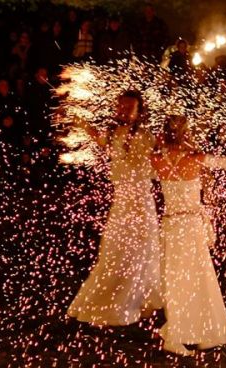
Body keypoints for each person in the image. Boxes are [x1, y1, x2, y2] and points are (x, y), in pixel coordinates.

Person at [151, 115, 226, 355]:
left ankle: (197, 332)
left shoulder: (156, 159)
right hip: (191, 226)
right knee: (195, 278)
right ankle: (178, 336)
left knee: (177, 280)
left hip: (172, 226)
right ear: (186, 133)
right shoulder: (194, 158)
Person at [67, 90, 163, 326]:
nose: (124, 111)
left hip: (141, 201)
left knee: (142, 250)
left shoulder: (146, 136)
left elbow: (155, 165)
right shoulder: (112, 134)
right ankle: (110, 300)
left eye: (129, 107)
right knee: (114, 251)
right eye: (121, 106)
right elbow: (99, 140)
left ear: (139, 111)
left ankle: (137, 300)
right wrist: (80, 122)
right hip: (122, 201)